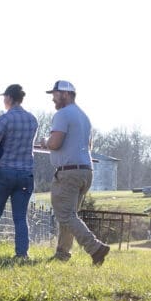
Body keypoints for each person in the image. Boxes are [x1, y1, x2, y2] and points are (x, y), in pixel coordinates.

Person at [41, 80, 110, 265]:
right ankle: (62, 253)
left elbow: (55, 143)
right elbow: (89, 146)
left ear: (66, 94)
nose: (53, 98)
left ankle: (95, 248)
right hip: (86, 171)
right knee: (70, 214)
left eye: (55, 94)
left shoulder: (62, 114)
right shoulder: (84, 117)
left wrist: (45, 141)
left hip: (68, 172)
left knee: (65, 214)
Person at [0, 84, 38, 258]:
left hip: (4, 172)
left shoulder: (4, 120)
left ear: (9, 98)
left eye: (4, 98)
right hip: (26, 173)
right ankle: (22, 253)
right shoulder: (33, 120)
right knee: (20, 217)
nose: (3, 101)